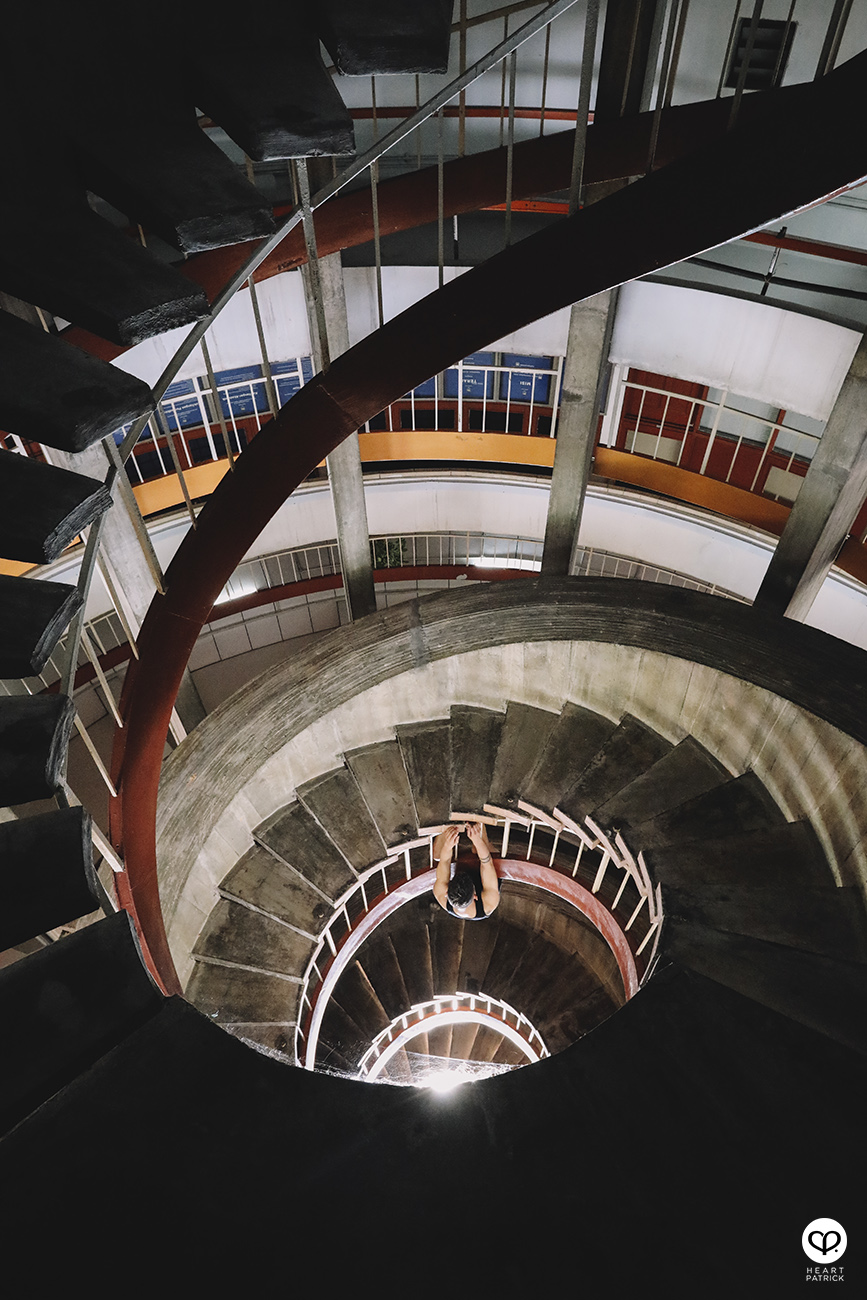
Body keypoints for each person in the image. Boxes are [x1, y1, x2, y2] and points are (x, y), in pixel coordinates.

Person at [432, 820, 501, 920]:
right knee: (480, 845)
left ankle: (449, 819)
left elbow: (445, 860)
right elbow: (486, 863)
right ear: (475, 896)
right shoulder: (489, 903)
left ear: (447, 892)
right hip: (487, 876)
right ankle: (477, 817)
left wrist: (448, 844)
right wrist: (477, 840)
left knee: (438, 854)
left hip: (463, 868)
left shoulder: (441, 895)